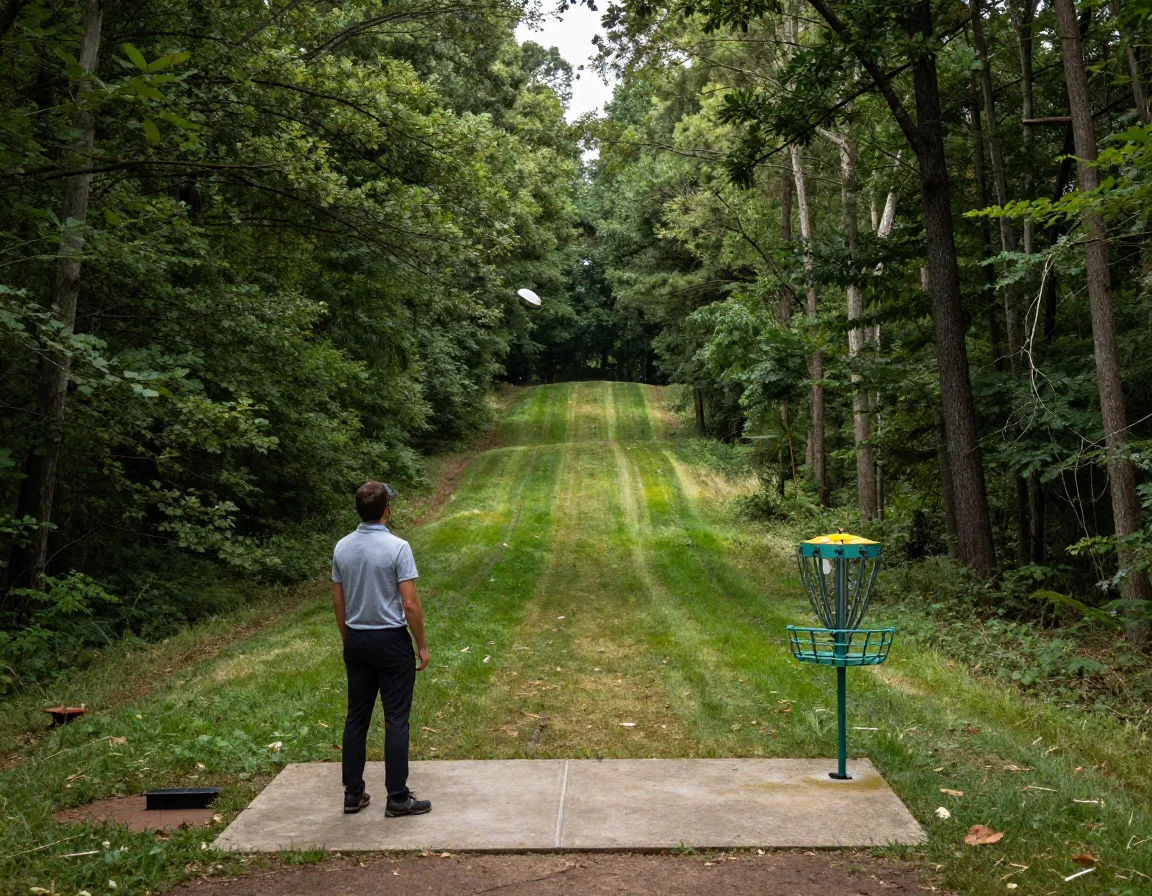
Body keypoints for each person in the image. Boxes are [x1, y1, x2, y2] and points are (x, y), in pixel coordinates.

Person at [331, 480, 431, 817]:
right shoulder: (398, 548)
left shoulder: (342, 548)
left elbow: (338, 601)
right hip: (391, 641)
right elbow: (410, 604)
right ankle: (398, 797)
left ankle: (353, 794)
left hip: (357, 639)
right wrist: (421, 644)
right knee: (396, 720)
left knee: (356, 717)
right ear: (387, 510)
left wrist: (348, 639)